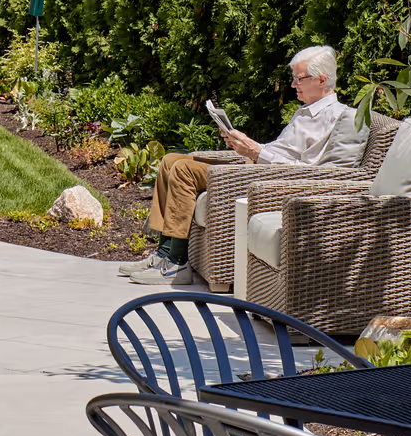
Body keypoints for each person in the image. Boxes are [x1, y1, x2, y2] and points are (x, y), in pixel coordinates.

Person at [124, 45, 367, 287]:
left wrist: (256, 151)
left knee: (183, 170)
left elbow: (305, 169)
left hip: (268, 175)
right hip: (256, 162)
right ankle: (164, 253)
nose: (293, 85)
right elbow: (282, 149)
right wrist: (246, 145)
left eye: (299, 79)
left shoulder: (333, 118)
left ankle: (177, 263)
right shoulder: (306, 111)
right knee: (170, 161)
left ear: (321, 80)